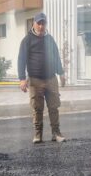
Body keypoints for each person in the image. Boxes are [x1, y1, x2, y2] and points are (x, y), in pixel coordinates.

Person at [18, 12, 66, 144]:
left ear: (45, 24)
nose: (41, 26)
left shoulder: (49, 39)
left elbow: (56, 56)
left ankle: (56, 133)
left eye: (43, 23)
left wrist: (61, 73)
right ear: (34, 23)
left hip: (51, 78)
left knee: (54, 107)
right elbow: (21, 59)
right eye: (38, 23)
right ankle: (38, 134)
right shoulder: (27, 40)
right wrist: (22, 78)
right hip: (35, 80)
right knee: (37, 108)